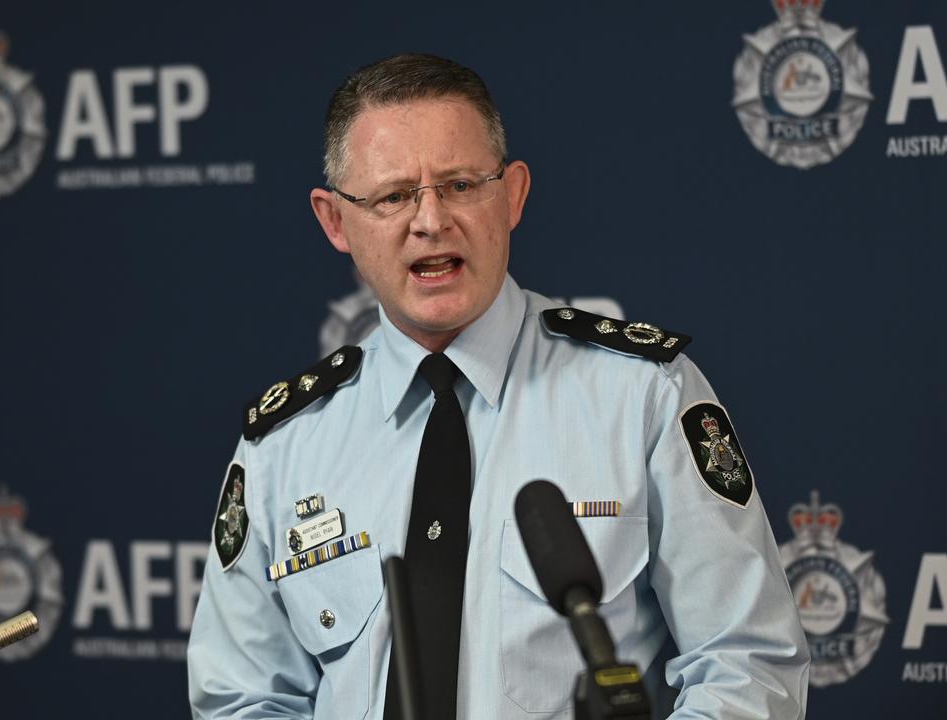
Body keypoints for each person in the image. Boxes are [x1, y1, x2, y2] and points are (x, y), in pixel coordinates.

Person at [188, 53, 809, 719]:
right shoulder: (284, 444)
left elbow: (746, 661)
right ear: (335, 221)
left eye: (459, 185)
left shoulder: (643, 396)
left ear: (512, 195)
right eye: (394, 196)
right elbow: (243, 698)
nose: (431, 221)